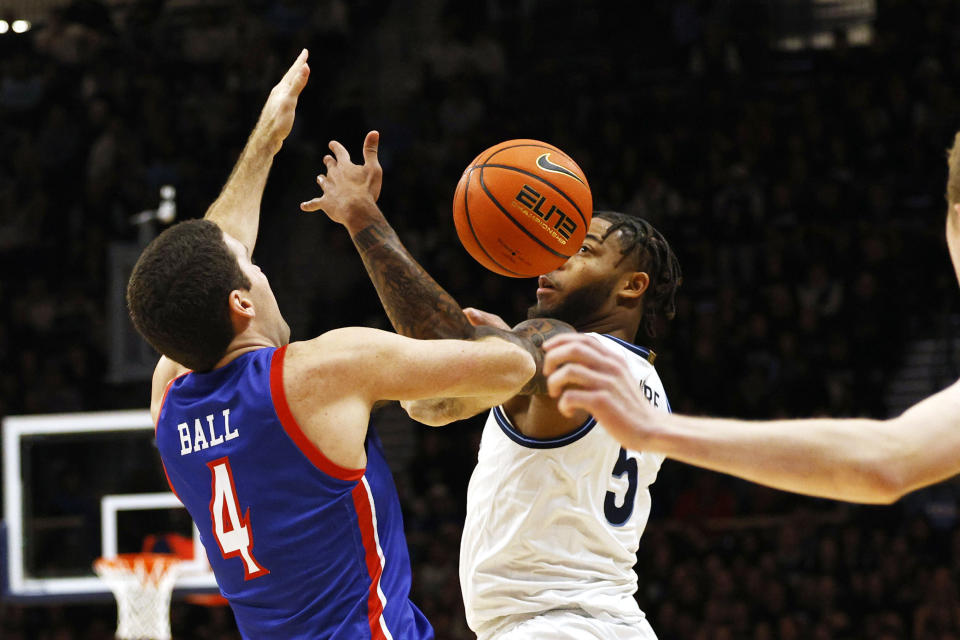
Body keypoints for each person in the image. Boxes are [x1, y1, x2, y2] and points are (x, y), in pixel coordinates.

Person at [127, 51, 536, 640]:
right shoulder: (320, 371)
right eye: (253, 270)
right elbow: (513, 367)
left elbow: (212, 251)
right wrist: (363, 219)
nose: (261, 269)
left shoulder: (169, 396)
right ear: (241, 305)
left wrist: (267, 140)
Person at [302, 144, 683, 639]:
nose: (555, 255)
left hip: (555, 627)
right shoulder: (645, 383)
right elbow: (431, 406)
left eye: (581, 249)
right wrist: (496, 365)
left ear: (632, 287)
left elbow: (442, 353)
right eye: (557, 241)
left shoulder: (567, 348)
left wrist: (361, 216)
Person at [540, 130, 960, 507]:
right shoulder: (631, 368)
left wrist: (653, 429)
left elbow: (886, 462)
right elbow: (888, 461)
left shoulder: (576, 351)